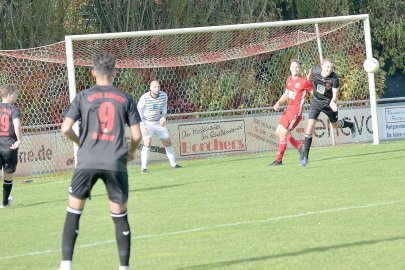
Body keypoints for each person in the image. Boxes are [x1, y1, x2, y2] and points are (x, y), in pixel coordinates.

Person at [59, 53, 142, 270]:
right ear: (115, 72)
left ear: (93, 72)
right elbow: (136, 136)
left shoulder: (83, 96)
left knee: (74, 212)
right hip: (115, 161)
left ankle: (66, 265)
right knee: (119, 215)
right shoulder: (125, 98)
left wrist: (81, 142)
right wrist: (131, 152)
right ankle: (124, 267)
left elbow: (65, 129)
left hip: (87, 160)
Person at [300, 58, 356, 166]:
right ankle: (305, 157)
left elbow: (335, 95)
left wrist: (333, 102)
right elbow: (310, 71)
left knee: (335, 125)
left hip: (328, 104)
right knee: (310, 127)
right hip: (316, 102)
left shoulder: (334, 78)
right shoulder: (316, 71)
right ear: (322, 66)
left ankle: (350, 124)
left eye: (331, 67)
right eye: (327, 67)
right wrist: (307, 79)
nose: (329, 70)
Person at [269, 59, 313, 166]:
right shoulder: (289, 79)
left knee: (283, 133)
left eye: (297, 67)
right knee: (279, 132)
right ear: (290, 68)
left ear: (299, 69)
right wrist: (278, 102)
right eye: (293, 67)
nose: (295, 69)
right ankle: (300, 147)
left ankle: (278, 160)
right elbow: (287, 93)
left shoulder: (304, 81)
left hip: (295, 112)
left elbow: (313, 93)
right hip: (288, 110)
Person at [137, 80, 181, 173]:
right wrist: (142, 124)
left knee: (167, 142)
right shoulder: (144, 98)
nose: (157, 89)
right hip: (147, 122)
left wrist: (163, 117)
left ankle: (174, 164)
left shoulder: (163, 95)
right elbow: (138, 110)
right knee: (147, 142)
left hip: (158, 122)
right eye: (155, 87)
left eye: (158, 87)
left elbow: (164, 106)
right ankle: (143, 168)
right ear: (150, 88)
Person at [0, 85, 22, 208]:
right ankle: (4, 202)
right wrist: (19, 140)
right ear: (9, 95)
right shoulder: (14, 109)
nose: (17, 96)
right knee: (8, 175)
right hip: (10, 146)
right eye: (16, 93)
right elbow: (17, 125)